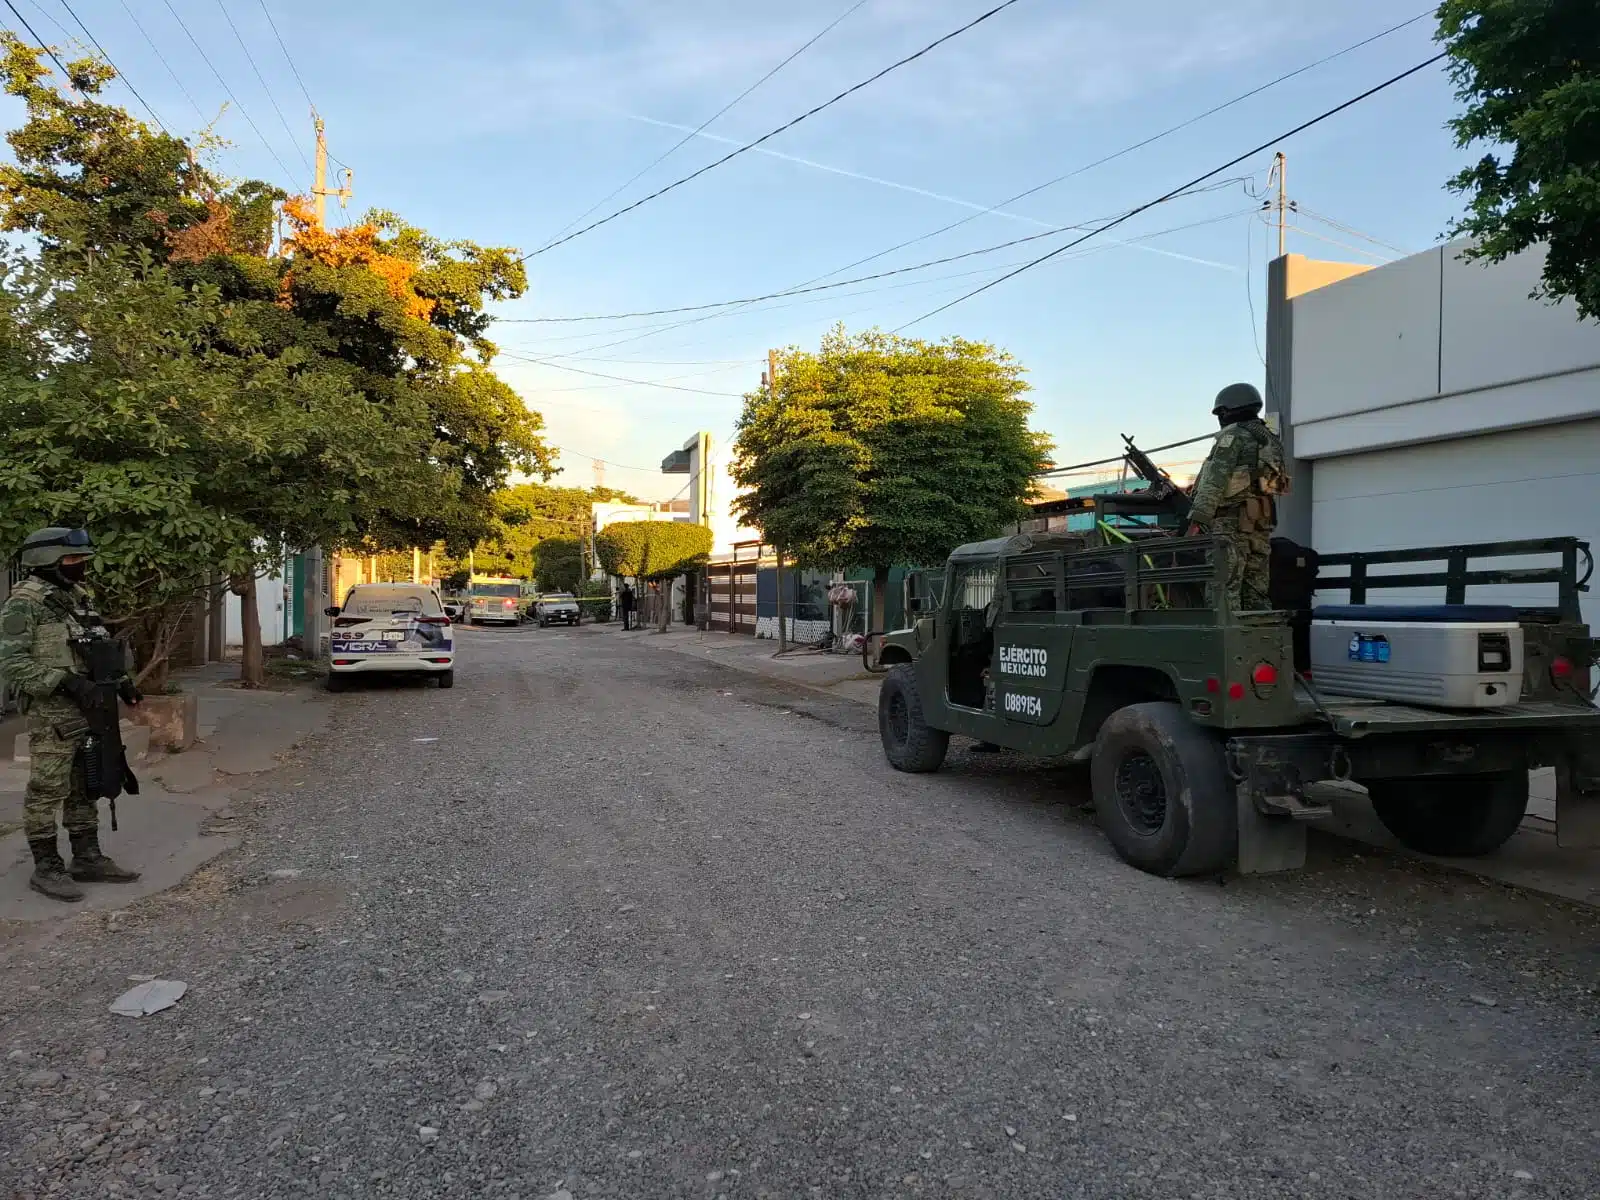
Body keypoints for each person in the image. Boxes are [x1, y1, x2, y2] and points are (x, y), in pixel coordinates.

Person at [0, 527, 142, 902]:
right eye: (72, 560)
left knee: (87, 780)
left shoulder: (76, 595)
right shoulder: (24, 602)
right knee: (48, 788)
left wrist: (122, 682)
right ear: (46, 561)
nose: (80, 567)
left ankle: (87, 857)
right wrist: (64, 682)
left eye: (81, 560)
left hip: (91, 705)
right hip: (53, 713)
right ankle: (47, 866)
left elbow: (96, 645)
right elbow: (11, 662)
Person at [1186, 383, 1290, 612]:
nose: (1220, 418)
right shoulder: (1270, 440)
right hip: (1260, 522)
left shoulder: (1233, 436)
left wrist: (1197, 520)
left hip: (1230, 522)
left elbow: (1215, 480)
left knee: (1223, 585)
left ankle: (1227, 640)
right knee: (1256, 585)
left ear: (1231, 409)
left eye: (1221, 412)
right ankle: (1258, 636)